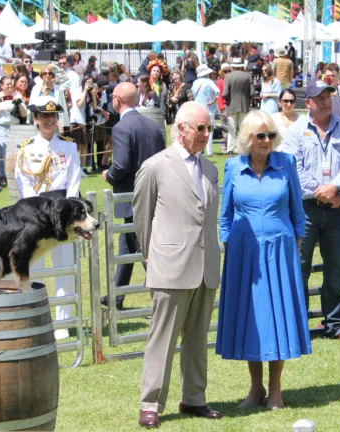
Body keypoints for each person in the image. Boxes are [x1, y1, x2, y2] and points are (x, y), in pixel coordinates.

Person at [134, 102, 222, 428]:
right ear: (181, 128)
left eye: (209, 128)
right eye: (201, 128)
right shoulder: (155, 166)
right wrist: (155, 257)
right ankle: (150, 404)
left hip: (205, 267)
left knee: (197, 340)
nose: (206, 134)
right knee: (163, 340)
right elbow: (142, 220)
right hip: (170, 267)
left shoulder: (210, 168)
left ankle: (194, 398)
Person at [218, 110, 311, 410]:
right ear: (248, 138)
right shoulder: (233, 166)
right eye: (261, 135)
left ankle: (275, 390)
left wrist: (296, 240)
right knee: (252, 317)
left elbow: (297, 209)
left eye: (271, 135)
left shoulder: (286, 164)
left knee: (277, 316)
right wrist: (228, 244)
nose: (267, 140)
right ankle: (255, 388)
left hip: (279, 249)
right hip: (243, 252)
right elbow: (225, 214)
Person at [279, 79, 340, 342]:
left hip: (337, 208)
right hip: (304, 209)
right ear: (309, 102)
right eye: (321, 98)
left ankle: (335, 323)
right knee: (300, 266)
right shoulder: (295, 132)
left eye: (329, 97)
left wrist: (336, 189)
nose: (327, 102)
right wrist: (323, 192)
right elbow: (293, 167)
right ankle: (298, 325)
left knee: (336, 267)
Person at [13, 97, 81, 339]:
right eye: (44, 116)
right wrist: (38, 213)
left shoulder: (69, 147)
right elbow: (23, 182)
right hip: (37, 217)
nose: (49, 120)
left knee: (65, 269)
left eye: (53, 116)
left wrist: (68, 213)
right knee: (35, 269)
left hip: (64, 217)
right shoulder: (26, 148)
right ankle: (37, 318)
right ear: (36, 119)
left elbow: (74, 181)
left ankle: (62, 323)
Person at [99, 83, 166, 310]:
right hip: (155, 195)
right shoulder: (153, 126)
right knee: (127, 244)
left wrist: (108, 175)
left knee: (144, 251)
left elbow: (122, 164)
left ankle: (163, 300)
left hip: (133, 197)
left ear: (117, 100)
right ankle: (116, 296)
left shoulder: (121, 127)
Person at [0, 76, 27, 192]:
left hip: (14, 126)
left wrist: (19, 103)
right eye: (7, 84)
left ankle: (15, 175)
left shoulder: (17, 95)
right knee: (2, 152)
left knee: (15, 152)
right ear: (1, 86)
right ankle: (3, 177)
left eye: (11, 84)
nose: (10, 86)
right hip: (1, 127)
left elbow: (24, 114)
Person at [223, 58, 253, 155]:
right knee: (243, 129)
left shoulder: (228, 76)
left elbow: (225, 93)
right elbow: (252, 92)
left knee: (231, 129)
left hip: (231, 105)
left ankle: (230, 149)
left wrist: (227, 99)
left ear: (233, 66)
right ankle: (243, 148)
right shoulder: (248, 76)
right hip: (244, 105)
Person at [30, 63, 70, 133]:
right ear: (41, 75)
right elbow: (32, 106)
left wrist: (61, 124)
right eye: (45, 73)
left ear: (52, 75)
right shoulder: (36, 89)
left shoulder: (59, 89)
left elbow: (62, 108)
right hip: (39, 123)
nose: (47, 75)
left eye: (50, 73)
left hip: (55, 124)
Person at [191, 65, 220, 156]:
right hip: (208, 109)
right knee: (209, 130)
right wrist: (213, 101)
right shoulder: (209, 82)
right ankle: (209, 150)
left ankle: (199, 149)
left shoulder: (195, 82)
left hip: (198, 109)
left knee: (199, 129)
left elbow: (193, 93)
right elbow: (217, 91)